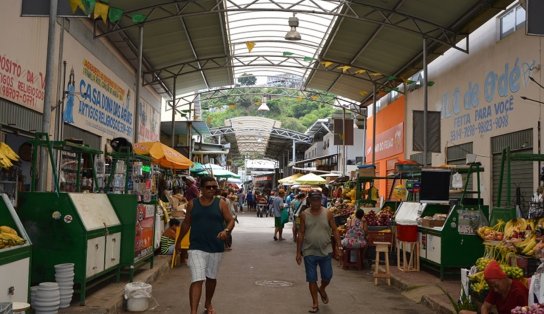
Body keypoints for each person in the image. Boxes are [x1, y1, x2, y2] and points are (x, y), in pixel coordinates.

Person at [175, 176, 235, 314]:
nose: (212, 189)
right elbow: (186, 223)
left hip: (216, 248)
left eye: (214, 187)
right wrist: (179, 242)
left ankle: (208, 303)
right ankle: (193, 312)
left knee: (211, 278)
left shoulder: (221, 204)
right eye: (209, 187)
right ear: (201, 188)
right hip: (196, 247)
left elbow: (230, 220)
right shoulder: (192, 204)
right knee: (197, 278)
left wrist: (226, 231)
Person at [296, 190, 342, 313]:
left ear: (320, 200)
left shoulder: (328, 214)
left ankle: (322, 289)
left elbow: (335, 230)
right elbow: (301, 233)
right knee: (311, 279)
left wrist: (339, 246)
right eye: (313, 199)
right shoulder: (304, 215)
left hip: (326, 251)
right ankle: (315, 303)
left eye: (318, 199)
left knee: (327, 276)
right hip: (309, 251)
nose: (316, 202)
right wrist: (298, 252)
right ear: (309, 200)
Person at [460, 260, 528, 314]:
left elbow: (527, 310)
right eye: (492, 287)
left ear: (503, 278)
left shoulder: (519, 291)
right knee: (462, 312)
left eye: (496, 286)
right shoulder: (495, 289)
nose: (495, 290)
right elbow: (485, 307)